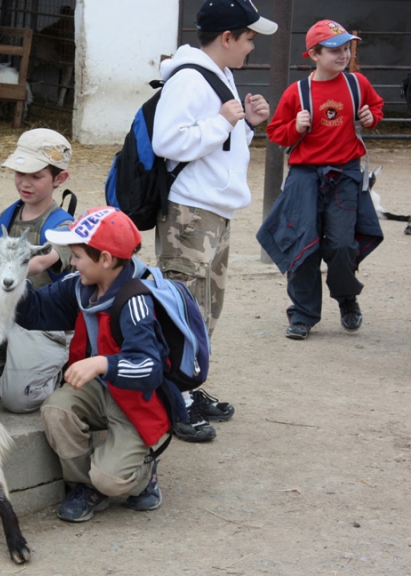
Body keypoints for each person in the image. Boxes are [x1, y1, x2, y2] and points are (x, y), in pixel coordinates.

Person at [151, 0, 277, 442]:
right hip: (190, 211)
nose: (250, 46)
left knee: (204, 308)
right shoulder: (189, 78)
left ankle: (187, 387)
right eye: (248, 38)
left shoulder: (219, 75)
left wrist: (247, 125)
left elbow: (216, 144)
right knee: (181, 307)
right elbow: (168, 140)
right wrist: (224, 121)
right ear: (227, 38)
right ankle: (172, 398)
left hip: (213, 210)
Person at [15, 206, 186, 523]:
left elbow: (149, 368)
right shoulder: (81, 285)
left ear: (105, 259)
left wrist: (102, 364)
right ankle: (85, 486)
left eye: (78, 256)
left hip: (136, 400)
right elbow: (36, 310)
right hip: (102, 389)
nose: (72, 262)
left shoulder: (135, 300)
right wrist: (5, 280)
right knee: (57, 409)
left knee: (110, 478)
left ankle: (141, 473)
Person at [259, 20, 384, 340]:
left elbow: (375, 109)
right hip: (304, 175)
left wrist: (371, 118)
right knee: (304, 245)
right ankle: (302, 314)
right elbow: (276, 133)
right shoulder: (297, 92)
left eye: (346, 48)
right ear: (313, 54)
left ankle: (346, 299)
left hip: (345, 173)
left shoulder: (357, 84)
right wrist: (296, 127)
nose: (343, 55)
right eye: (335, 50)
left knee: (343, 244)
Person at [0, 128, 75, 413]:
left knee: (16, 400)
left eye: (36, 176)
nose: (25, 183)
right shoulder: (9, 214)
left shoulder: (63, 225)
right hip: (4, 314)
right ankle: (12, 364)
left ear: (59, 178)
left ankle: (58, 370)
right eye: (19, 173)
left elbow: (37, 263)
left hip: (39, 322)